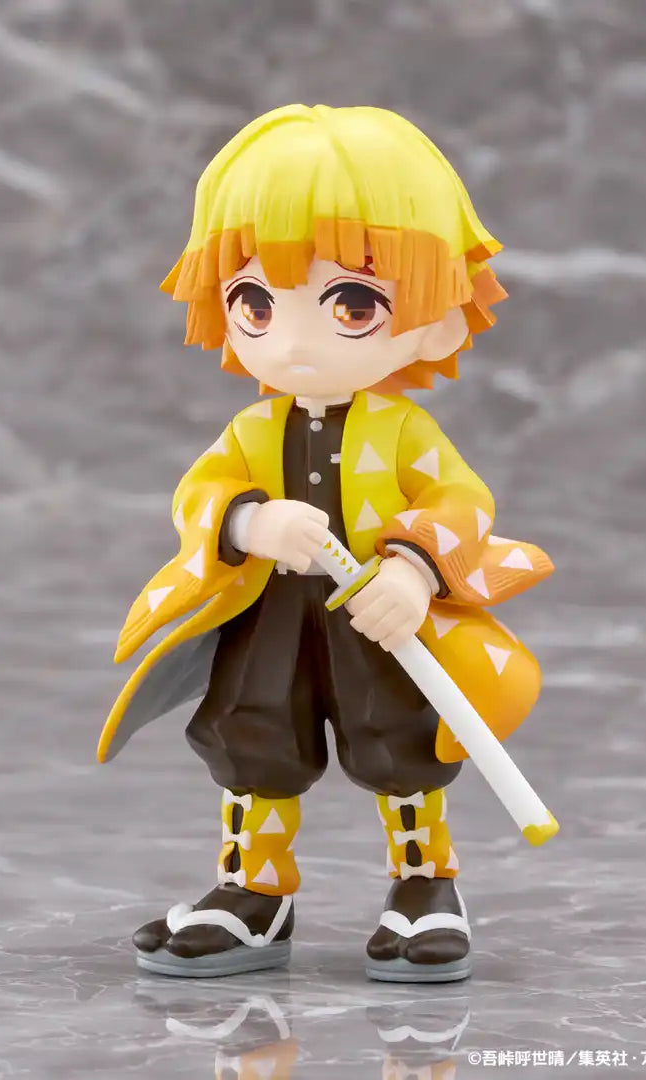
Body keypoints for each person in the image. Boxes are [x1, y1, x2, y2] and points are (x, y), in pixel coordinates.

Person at [98, 104, 554, 982]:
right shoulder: (253, 432)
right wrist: (249, 523)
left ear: (437, 318)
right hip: (270, 616)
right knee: (251, 737)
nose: (294, 340)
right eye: (255, 303)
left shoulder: (404, 431)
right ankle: (253, 891)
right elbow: (199, 495)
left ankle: (424, 885)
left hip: (379, 620)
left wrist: (414, 570)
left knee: (403, 738)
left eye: (351, 304)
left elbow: (462, 498)